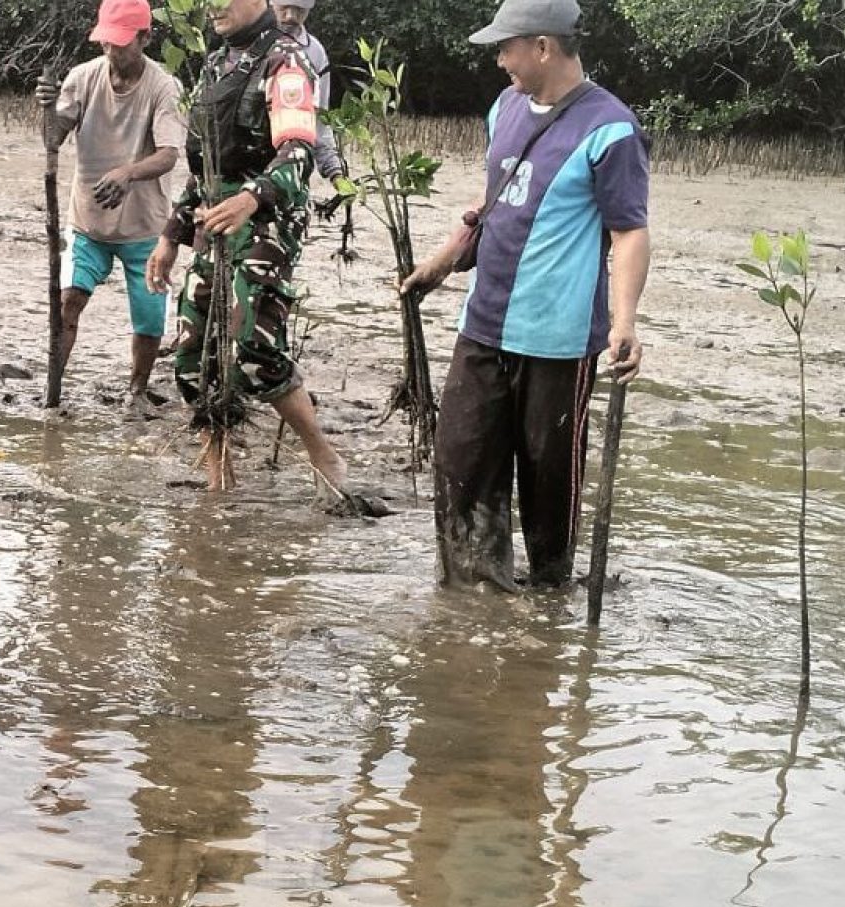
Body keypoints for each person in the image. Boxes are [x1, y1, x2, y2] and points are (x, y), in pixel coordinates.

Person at [400, 0, 651, 589]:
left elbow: (629, 232)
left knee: (548, 487)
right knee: (461, 464)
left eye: (506, 47)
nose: (499, 61)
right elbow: (494, 200)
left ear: (543, 46)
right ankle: (473, 599)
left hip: (558, 339)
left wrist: (624, 322)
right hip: (483, 324)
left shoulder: (611, 129)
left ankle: (549, 597)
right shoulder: (505, 107)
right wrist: (442, 262)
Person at [143, 0, 350, 499]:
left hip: (267, 221)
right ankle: (219, 475)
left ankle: (322, 454)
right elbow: (205, 167)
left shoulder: (287, 61)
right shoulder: (215, 63)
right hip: (214, 217)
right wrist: (170, 235)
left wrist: (251, 198)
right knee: (192, 353)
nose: (213, 6)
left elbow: (298, 151)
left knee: (254, 349)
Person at [36, 0, 186, 405]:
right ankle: (52, 391)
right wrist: (47, 109)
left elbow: (169, 154)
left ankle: (137, 390)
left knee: (149, 320)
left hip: (144, 228)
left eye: (121, 43)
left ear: (145, 38)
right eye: (106, 42)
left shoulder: (164, 87)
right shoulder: (82, 78)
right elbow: (52, 139)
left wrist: (127, 172)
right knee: (68, 301)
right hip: (88, 222)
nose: (111, 51)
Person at [270, 0, 345, 181]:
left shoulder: (315, 53)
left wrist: (335, 172)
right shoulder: (246, 44)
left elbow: (320, 122)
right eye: (284, 7)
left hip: (293, 173)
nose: (290, 16)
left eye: (299, 10)